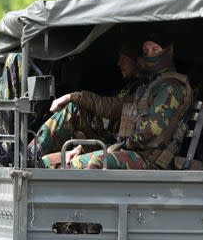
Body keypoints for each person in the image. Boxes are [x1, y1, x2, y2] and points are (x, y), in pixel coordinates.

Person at [70, 34, 192, 170]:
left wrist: (123, 145)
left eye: (155, 50)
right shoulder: (150, 85)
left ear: (168, 51)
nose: (150, 54)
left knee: (98, 163)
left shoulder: (170, 88)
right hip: (133, 151)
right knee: (73, 162)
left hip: (150, 158)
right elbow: (117, 107)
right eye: (146, 51)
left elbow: (150, 131)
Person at [27, 44, 144, 168]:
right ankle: (32, 154)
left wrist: (72, 96)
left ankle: (35, 159)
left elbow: (112, 107)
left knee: (59, 164)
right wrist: (79, 148)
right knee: (44, 160)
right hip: (111, 142)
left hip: (121, 148)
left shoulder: (144, 89)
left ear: (135, 60)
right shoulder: (129, 87)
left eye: (124, 59)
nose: (119, 63)